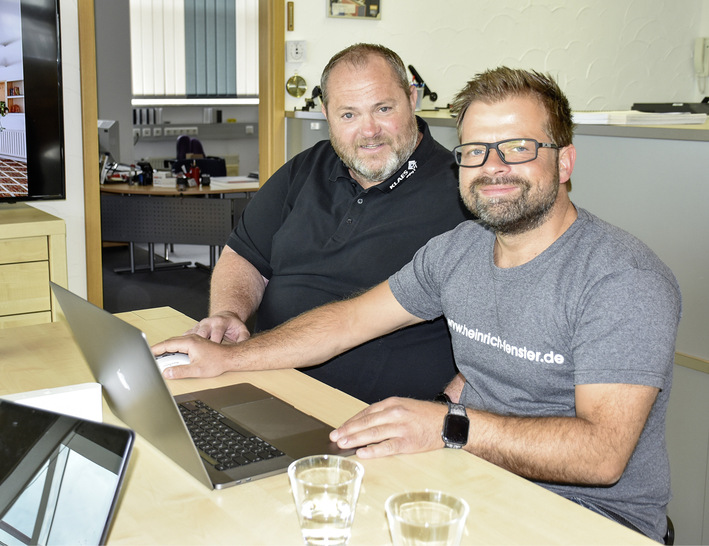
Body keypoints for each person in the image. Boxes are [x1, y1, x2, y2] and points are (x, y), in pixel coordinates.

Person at [154, 67, 681, 542]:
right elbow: (348, 321)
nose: (492, 168)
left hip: (586, 519)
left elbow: (603, 455)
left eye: (517, 147)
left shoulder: (621, 279)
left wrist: (448, 425)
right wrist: (226, 358)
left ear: (563, 160)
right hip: (474, 480)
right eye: (475, 151)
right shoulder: (459, 250)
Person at [181, 43, 470, 403]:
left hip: (374, 416)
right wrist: (228, 313)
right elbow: (244, 256)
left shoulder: (464, 192)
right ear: (326, 113)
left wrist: (445, 411)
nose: (369, 131)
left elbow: (494, 331)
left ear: (412, 99)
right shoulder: (305, 169)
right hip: (264, 380)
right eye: (348, 114)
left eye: (383, 109)